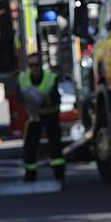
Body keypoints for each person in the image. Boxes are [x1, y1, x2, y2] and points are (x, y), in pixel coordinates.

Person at [17, 52, 66, 184]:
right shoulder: (23, 78)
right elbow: (19, 95)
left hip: (50, 114)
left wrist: (47, 102)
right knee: (30, 146)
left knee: (55, 144)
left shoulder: (50, 78)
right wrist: (28, 105)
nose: (34, 68)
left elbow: (56, 98)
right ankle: (30, 176)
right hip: (34, 116)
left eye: (36, 65)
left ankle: (59, 176)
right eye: (31, 65)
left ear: (41, 65)